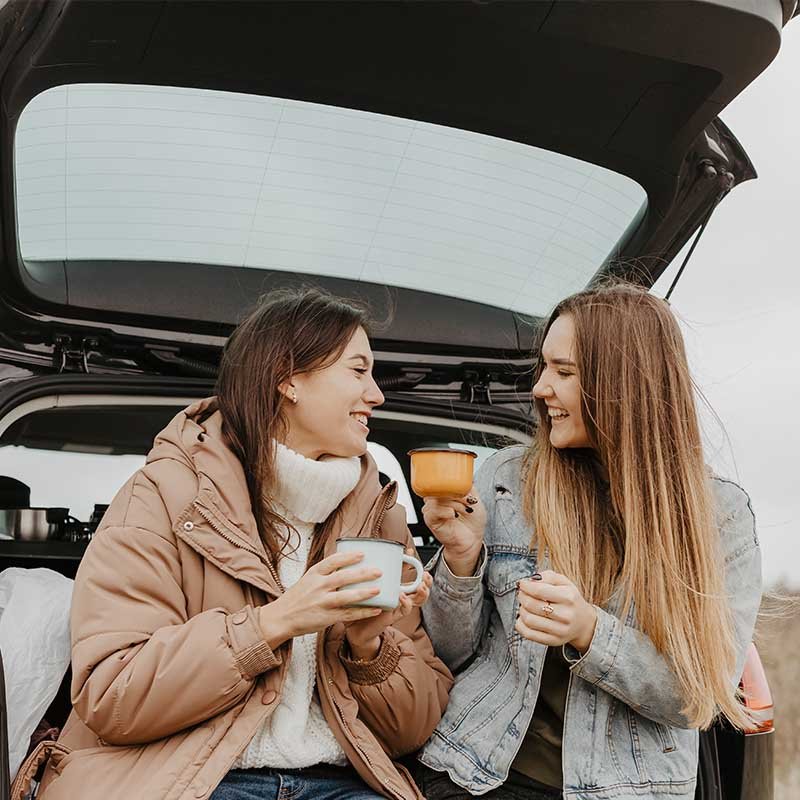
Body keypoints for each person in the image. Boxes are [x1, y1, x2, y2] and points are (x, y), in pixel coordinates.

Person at [35, 288, 452, 800]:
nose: (377, 395)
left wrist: (368, 647)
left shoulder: (379, 516)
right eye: (358, 370)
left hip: (343, 782)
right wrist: (273, 623)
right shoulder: (164, 496)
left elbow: (414, 729)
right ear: (289, 378)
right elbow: (112, 693)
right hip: (191, 778)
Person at [414, 283, 762, 800]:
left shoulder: (719, 518)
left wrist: (589, 631)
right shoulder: (508, 479)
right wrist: (461, 562)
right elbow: (445, 655)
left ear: (623, 384)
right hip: (473, 773)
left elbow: (699, 699)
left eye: (564, 372)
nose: (539, 389)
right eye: (544, 368)